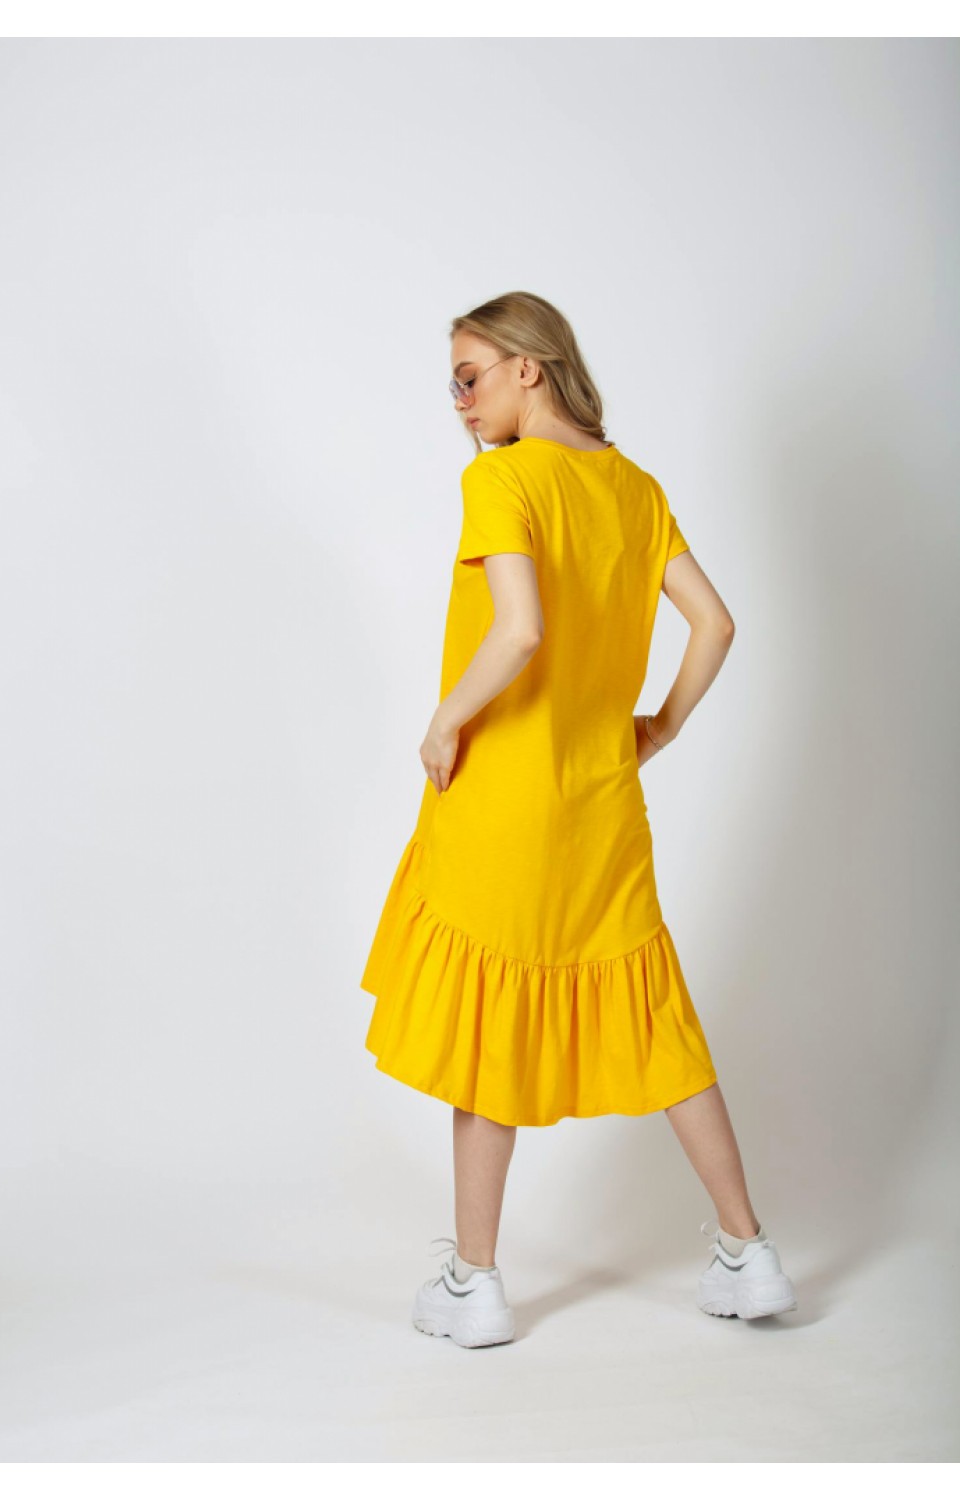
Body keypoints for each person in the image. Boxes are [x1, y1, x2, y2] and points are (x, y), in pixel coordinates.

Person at [360, 291, 797, 1348]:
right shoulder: (634, 488)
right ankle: (748, 1254)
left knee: (485, 1026)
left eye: (469, 376)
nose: (458, 401)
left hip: (504, 798)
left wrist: (443, 720)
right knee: (659, 1016)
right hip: (603, 802)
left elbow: (518, 631)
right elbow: (715, 623)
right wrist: (661, 727)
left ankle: (475, 1283)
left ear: (529, 368)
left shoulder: (502, 479)